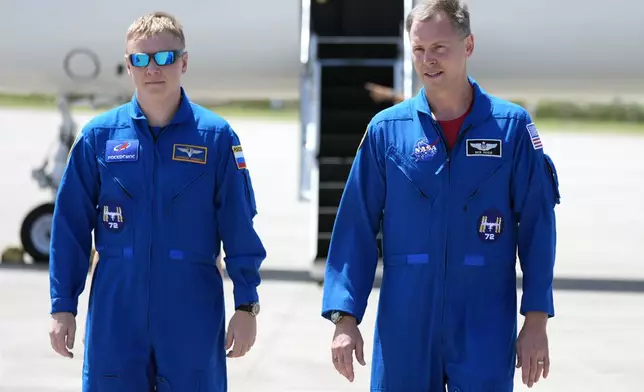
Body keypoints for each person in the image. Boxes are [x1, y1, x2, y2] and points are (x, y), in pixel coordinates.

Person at [321, 0, 561, 391]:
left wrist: (536, 320)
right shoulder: (387, 130)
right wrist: (345, 317)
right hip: (405, 324)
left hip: (484, 323)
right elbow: (356, 225)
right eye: (418, 49)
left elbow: (538, 228)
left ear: (468, 46)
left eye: (439, 48)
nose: (427, 60)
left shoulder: (512, 128)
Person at [48, 11, 266, 391]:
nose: (154, 68)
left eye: (165, 57)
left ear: (184, 61)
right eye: (141, 59)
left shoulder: (216, 138)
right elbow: (70, 228)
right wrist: (62, 305)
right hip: (117, 309)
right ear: (129, 66)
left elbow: (238, 226)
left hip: (191, 307)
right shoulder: (98, 137)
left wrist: (246, 305)